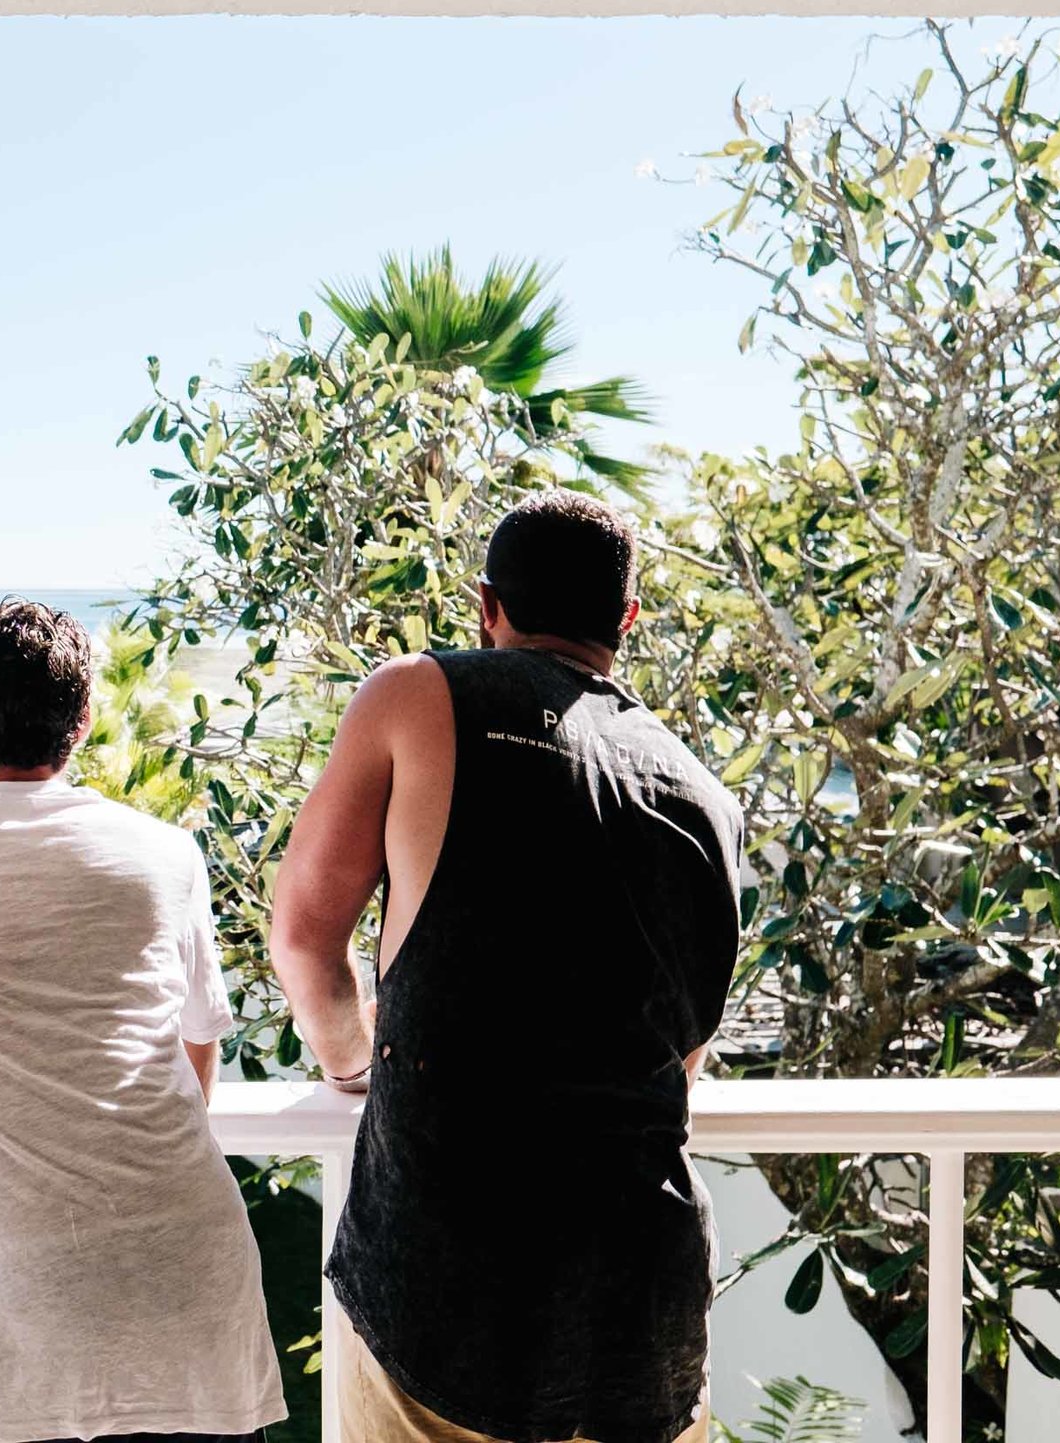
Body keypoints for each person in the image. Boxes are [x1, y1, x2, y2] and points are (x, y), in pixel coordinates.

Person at [270, 490, 744, 1443]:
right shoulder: (706, 795)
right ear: (627, 620)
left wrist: (353, 1066)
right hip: (638, 1300)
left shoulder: (415, 695)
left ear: (487, 605)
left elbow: (304, 935)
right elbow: (679, 1058)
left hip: (448, 1279)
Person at [0, 599, 287, 1443]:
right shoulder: (166, 852)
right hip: (191, 1284)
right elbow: (192, 1068)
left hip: (26, 1308)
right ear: (83, 722)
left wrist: (1, 1098)